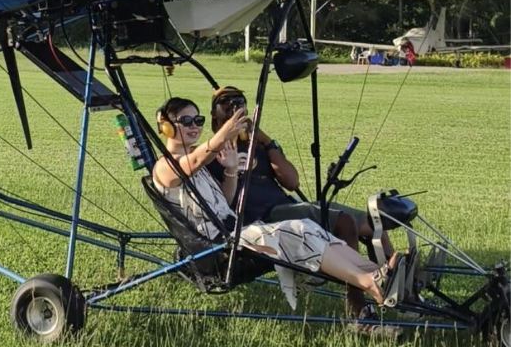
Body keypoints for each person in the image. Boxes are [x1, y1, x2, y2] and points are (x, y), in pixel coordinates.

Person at [152, 96, 403, 311]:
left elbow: (224, 204)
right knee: (294, 232)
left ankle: (381, 274)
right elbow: (192, 163)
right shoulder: (164, 166)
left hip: (232, 234)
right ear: (166, 127)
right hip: (217, 249)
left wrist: (230, 171)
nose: (194, 126)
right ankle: (371, 283)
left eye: (198, 121)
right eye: (185, 121)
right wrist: (220, 137)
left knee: (306, 226)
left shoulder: (197, 163)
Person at [208, 85, 393, 317]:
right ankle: (357, 303)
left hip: (286, 205)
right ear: (215, 114)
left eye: (240, 103)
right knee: (344, 222)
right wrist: (224, 143)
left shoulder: (259, 146)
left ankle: (399, 283)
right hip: (262, 217)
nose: (235, 109)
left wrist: (266, 141)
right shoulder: (211, 154)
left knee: (375, 222)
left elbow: (292, 181)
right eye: (227, 105)